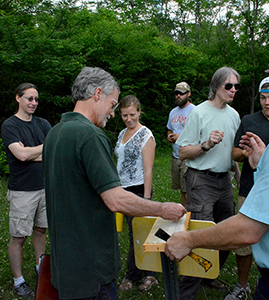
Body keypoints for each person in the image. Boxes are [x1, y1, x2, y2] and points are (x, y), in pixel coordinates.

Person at [165, 53, 269, 299]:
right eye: (228, 85)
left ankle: (206, 276)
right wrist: (264, 162)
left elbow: (249, 230)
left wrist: (188, 239)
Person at [43, 67, 186, 300]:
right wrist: (162, 209)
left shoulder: (54, 134)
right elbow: (116, 199)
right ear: (97, 94)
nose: (112, 114)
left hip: (65, 265)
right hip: (93, 268)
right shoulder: (90, 135)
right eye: (113, 105)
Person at [175, 67, 241, 300]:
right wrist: (205, 145)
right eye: (228, 86)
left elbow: (232, 154)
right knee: (200, 235)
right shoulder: (199, 113)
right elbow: (183, 152)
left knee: (227, 233)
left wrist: (238, 177)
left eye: (236, 86)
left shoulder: (234, 115)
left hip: (224, 182)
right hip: (201, 180)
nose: (233, 90)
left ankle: (208, 274)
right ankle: (187, 291)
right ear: (216, 87)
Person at [225, 76, 269, 300]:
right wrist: (248, 152)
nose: (267, 102)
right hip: (249, 188)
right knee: (243, 242)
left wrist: (267, 153)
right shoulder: (249, 120)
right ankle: (242, 285)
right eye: (263, 98)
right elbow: (234, 153)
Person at [1, 83, 51, 298]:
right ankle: (18, 280)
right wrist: (43, 148)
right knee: (19, 236)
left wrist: (30, 152)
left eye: (36, 99)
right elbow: (20, 155)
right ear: (18, 99)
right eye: (29, 98)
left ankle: (41, 269)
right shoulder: (10, 125)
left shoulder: (43, 123)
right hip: (22, 190)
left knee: (41, 230)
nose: (33, 103)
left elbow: (53, 151)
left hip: (45, 187)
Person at [115, 95, 158, 292]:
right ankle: (140, 271)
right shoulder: (122, 133)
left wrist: (147, 200)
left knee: (140, 233)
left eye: (132, 114)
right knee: (133, 235)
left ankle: (143, 274)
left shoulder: (145, 135)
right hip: (122, 189)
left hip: (139, 189)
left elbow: (148, 169)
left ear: (139, 112)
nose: (128, 119)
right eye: (124, 115)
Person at [167, 82, 195, 207]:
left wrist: (180, 137)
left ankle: (190, 216)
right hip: (176, 156)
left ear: (188, 94)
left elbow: (198, 134)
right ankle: (185, 212)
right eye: (176, 93)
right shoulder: (173, 112)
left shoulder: (195, 111)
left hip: (188, 156)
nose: (178, 96)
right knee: (181, 189)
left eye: (181, 93)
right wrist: (169, 135)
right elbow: (169, 128)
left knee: (188, 190)